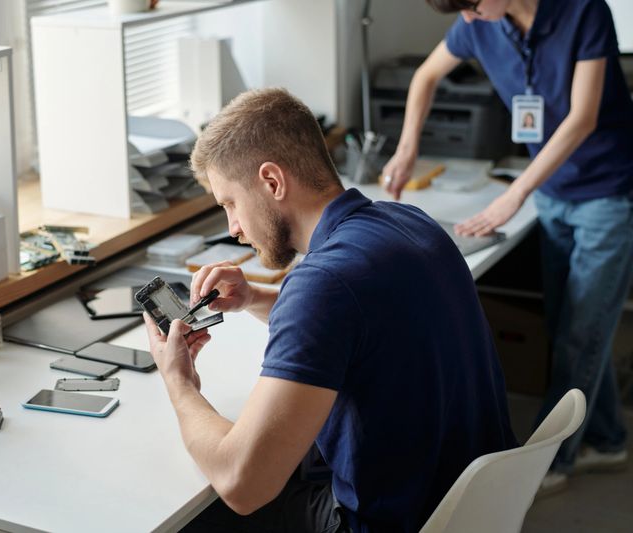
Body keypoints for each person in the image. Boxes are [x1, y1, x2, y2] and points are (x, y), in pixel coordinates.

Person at [142, 87, 517, 532]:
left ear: (272, 181)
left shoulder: (324, 284)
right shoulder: (408, 221)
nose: (234, 228)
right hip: (469, 509)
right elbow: (359, 321)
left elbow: (242, 483)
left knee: (205, 513)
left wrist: (179, 382)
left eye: (230, 203)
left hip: (388, 522)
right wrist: (254, 299)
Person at [382, 0, 633, 494]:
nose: (469, 19)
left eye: (473, 5)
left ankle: (549, 462)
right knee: (576, 327)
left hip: (607, 192)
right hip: (554, 194)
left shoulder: (583, 11)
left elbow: (582, 119)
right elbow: (426, 76)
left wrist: (515, 195)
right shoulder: (479, 22)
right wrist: (407, 144)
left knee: (580, 337)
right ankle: (608, 440)